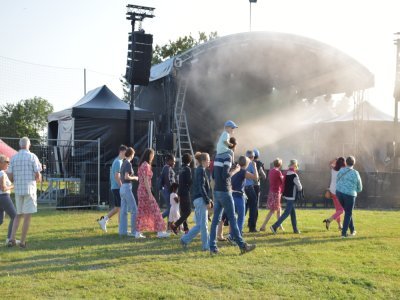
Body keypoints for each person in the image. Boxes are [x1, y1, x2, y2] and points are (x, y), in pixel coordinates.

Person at [210, 132, 256, 255]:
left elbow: (214, 175)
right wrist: (235, 170)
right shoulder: (228, 156)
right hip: (225, 191)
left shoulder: (218, 156)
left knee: (215, 220)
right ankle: (242, 246)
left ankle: (212, 248)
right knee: (233, 219)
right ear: (233, 145)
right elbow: (226, 175)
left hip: (217, 191)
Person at [7, 137, 42, 248]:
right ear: (29, 145)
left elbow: (10, 177)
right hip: (30, 190)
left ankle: (12, 239)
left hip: (18, 189)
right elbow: (37, 175)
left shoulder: (14, 157)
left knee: (18, 215)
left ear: (19, 145)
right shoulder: (32, 157)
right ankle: (22, 242)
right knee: (27, 217)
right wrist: (39, 178)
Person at [181, 152, 213, 250]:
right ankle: (206, 246)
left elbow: (201, 187)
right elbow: (201, 187)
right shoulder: (201, 170)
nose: (209, 162)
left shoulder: (200, 170)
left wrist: (208, 199)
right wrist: (207, 201)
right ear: (203, 161)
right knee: (204, 225)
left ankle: (184, 239)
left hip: (198, 199)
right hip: (200, 200)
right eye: (208, 160)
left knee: (200, 225)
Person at [136, 148, 170, 238]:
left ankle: (138, 232)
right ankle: (160, 231)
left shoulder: (141, 165)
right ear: (149, 155)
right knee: (156, 210)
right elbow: (146, 181)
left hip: (140, 190)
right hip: (145, 191)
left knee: (141, 211)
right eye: (152, 155)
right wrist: (150, 194)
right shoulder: (146, 165)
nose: (153, 157)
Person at [98, 145, 127, 232]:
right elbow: (117, 176)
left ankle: (105, 221)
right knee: (120, 207)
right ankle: (120, 227)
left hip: (116, 187)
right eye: (126, 152)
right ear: (121, 152)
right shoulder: (118, 162)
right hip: (117, 187)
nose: (127, 154)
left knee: (118, 207)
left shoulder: (119, 161)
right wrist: (122, 186)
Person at [229, 155, 258, 239]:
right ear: (247, 163)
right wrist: (255, 167)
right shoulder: (243, 171)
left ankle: (231, 235)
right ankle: (238, 237)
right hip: (239, 196)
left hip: (232, 195)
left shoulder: (234, 169)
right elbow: (256, 178)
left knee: (233, 217)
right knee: (241, 218)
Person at [270, 159, 302, 235]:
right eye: (296, 166)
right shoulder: (294, 175)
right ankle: (274, 226)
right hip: (292, 196)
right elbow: (299, 187)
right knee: (287, 213)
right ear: (294, 166)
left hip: (286, 195)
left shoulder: (286, 173)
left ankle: (295, 229)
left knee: (292, 213)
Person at [336, 156, 362, 238]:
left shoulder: (341, 170)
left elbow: (337, 180)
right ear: (354, 163)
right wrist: (356, 190)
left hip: (339, 193)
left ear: (346, 163)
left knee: (348, 212)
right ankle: (343, 234)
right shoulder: (355, 173)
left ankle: (352, 230)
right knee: (348, 213)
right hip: (350, 194)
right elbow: (360, 187)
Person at [118, 147, 141, 237]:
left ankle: (122, 232)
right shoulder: (128, 164)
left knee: (123, 211)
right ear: (131, 154)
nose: (133, 156)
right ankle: (134, 231)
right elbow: (127, 177)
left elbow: (121, 177)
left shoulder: (123, 163)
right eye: (133, 155)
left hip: (122, 188)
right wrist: (135, 178)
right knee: (134, 210)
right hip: (127, 187)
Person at [260, 158, 285, 232]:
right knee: (272, 210)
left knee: (279, 209)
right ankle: (263, 226)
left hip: (271, 191)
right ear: (280, 165)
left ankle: (280, 226)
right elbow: (282, 182)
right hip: (276, 192)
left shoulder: (271, 171)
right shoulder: (278, 172)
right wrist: (283, 177)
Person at [171, 153, 193, 234]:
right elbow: (189, 181)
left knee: (183, 211)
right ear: (190, 161)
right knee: (188, 211)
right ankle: (175, 225)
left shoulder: (180, 169)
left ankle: (186, 229)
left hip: (180, 191)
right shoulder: (187, 169)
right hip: (185, 192)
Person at [323, 157, 346, 230]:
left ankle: (340, 225)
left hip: (332, 191)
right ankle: (329, 220)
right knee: (341, 210)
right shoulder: (343, 170)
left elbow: (329, 163)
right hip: (338, 192)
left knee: (338, 209)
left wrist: (334, 159)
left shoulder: (333, 169)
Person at [0, 154, 17, 245]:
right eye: (6, 162)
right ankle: (10, 239)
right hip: (4, 197)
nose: (8, 163)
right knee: (15, 216)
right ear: (0, 163)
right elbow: (3, 188)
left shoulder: (3, 172)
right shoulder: (2, 173)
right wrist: (13, 186)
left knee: (0, 220)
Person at [244, 150, 259, 232]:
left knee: (243, 208)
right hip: (249, 188)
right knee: (253, 208)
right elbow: (256, 178)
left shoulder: (242, 163)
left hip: (242, 188)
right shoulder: (252, 164)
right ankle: (252, 227)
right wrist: (255, 167)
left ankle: (240, 227)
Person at [160, 154, 176, 221]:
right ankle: (157, 220)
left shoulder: (167, 168)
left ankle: (168, 227)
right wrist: (172, 190)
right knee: (170, 209)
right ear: (169, 161)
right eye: (173, 161)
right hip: (167, 190)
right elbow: (167, 180)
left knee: (170, 208)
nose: (174, 163)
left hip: (167, 189)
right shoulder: (167, 168)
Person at [253, 148, 266, 217]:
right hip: (256, 185)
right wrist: (259, 177)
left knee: (246, 204)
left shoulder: (247, 162)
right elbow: (264, 176)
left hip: (247, 186)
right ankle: (253, 221)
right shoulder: (259, 164)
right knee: (255, 204)